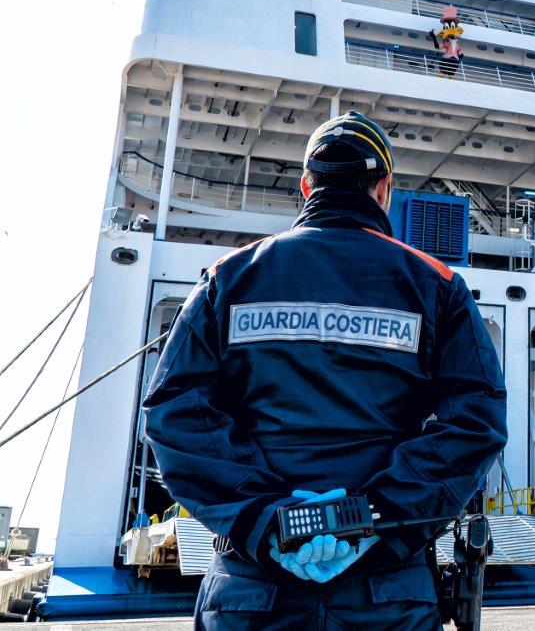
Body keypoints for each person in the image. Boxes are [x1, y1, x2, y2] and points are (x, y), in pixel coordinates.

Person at [144, 111, 507, 630]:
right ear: (384, 189)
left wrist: (264, 520)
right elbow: (477, 422)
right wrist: (374, 518)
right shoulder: (437, 285)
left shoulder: (227, 278)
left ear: (306, 185)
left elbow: (175, 414)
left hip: (252, 586)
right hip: (387, 589)